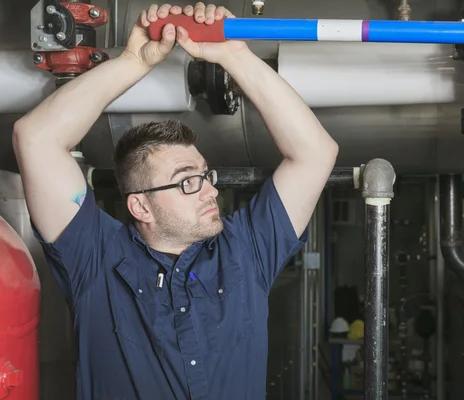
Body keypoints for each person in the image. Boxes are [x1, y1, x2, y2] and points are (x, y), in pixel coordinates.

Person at [12, 3, 338, 399]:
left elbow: (315, 153)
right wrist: (133, 60)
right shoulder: (96, 260)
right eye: (187, 183)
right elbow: (35, 138)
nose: (210, 190)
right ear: (141, 207)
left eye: (205, 176)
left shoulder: (245, 251)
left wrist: (234, 55)